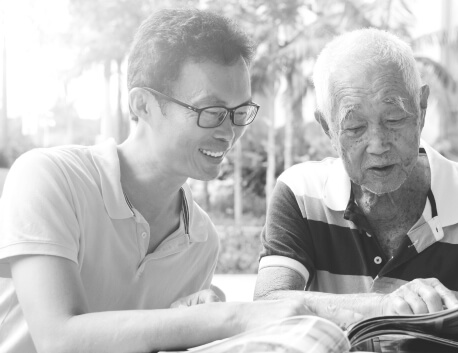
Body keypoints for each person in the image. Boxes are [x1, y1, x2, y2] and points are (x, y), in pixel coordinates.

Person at [0, 9, 313, 353]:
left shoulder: (201, 238)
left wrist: (187, 320)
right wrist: (226, 318)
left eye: (240, 113)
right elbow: (58, 338)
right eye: (211, 111)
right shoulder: (49, 178)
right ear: (143, 105)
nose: (229, 132)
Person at [254, 28, 458, 323]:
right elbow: (267, 304)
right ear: (328, 128)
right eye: (354, 128)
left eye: (394, 118)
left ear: (421, 109)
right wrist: (381, 306)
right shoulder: (301, 193)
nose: (378, 145)